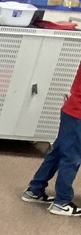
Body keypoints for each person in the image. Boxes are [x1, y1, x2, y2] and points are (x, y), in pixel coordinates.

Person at [22, 57, 81, 216]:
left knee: (58, 153)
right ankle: (61, 202)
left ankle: (35, 189)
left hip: (71, 110)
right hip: (78, 114)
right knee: (72, 158)